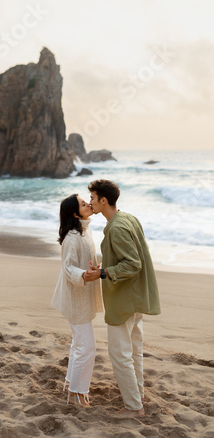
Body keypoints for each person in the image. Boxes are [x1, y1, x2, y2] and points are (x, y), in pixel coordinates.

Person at [84, 179, 160, 418]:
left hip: (124, 299)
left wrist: (104, 272)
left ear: (103, 200)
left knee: (119, 353)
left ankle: (134, 407)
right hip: (135, 296)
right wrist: (104, 265)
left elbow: (133, 263)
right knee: (134, 350)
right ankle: (138, 394)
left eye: (93, 199)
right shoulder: (127, 218)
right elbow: (128, 257)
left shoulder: (116, 227)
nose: (90, 203)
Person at [51, 194, 103, 407]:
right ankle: (77, 393)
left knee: (79, 344)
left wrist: (93, 269)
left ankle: (71, 386)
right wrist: (82, 275)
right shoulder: (72, 237)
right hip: (75, 299)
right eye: (83, 204)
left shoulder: (84, 230)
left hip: (80, 296)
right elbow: (68, 267)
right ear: (75, 213)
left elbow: (85, 259)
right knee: (87, 347)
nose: (89, 204)